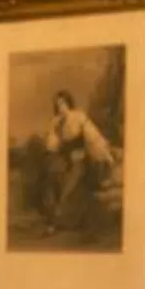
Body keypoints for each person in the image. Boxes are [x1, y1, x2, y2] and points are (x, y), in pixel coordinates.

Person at [43, 88, 117, 236]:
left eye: (63, 104)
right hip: (65, 159)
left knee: (70, 187)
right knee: (54, 178)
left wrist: (106, 155)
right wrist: (53, 149)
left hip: (81, 158)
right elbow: (53, 144)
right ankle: (60, 219)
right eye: (58, 105)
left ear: (68, 103)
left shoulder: (79, 117)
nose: (61, 107)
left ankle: (56, 223)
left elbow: (93, 137)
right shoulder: (56, 122)